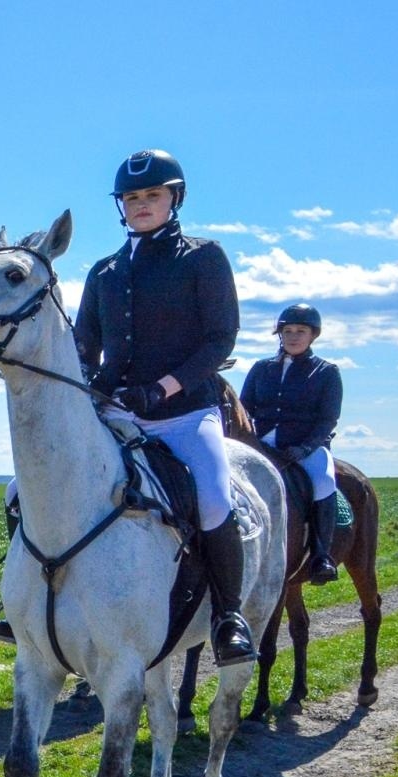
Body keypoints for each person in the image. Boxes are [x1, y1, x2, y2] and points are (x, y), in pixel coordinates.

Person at [73, 148, 253, 666]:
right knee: (24, 489)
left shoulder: (202, 257)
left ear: (174, 198)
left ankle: (228, 617)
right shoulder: (104, 272)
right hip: (118, 412)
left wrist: (163, 388)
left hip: (185, 412)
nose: (142, 204)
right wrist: (80, 383)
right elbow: (87, 345)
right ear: (121, 207)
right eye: (132, 197)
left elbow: (220, 341)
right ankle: (32, 602)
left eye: (152, 195)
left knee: (216, 500)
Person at [238, 303, 343, 584]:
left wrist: (306, 448)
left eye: (301, 331)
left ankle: (321, 555)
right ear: (280, 334)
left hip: (306, 448)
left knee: (323, 481)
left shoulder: (326, 372)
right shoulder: (261, 369)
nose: (294, 336)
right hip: (262, 444)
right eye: (288, 330)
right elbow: (244, 407)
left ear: (312, 335)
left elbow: (327, 420)